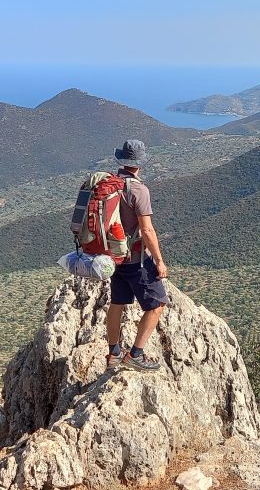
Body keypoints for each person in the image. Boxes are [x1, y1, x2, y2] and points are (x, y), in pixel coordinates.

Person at [106, 139, 169, 372]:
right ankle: (136, 354)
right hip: (136, 260)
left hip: (113, 258)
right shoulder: (138, 190)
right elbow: (146, 230)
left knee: (117, 303)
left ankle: (113, 353)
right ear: (140, 163)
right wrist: (160, 261)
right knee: (157, 305)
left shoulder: (110, 185)